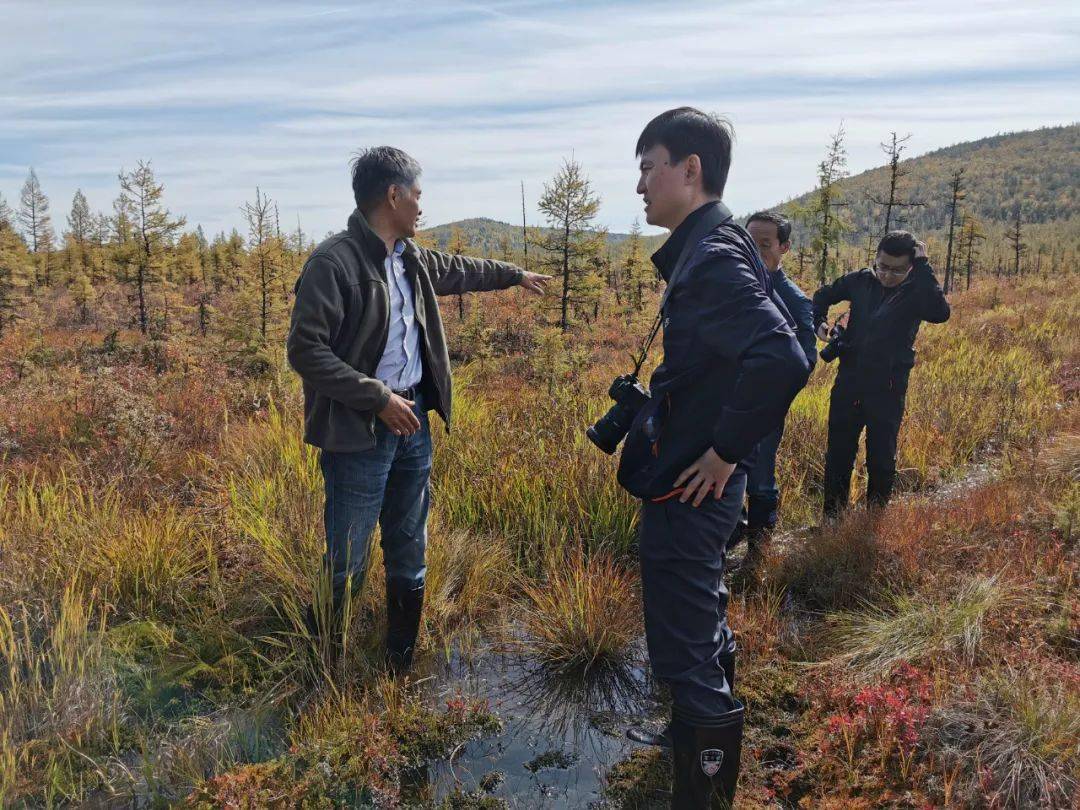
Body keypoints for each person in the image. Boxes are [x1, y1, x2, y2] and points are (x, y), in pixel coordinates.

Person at [286, 146, 549, 672]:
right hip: (359, 433)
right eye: (418, 195)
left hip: (414, 426)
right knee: (347, 560)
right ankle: (325, 667)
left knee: (409, 546)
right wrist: (378, 398)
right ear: (393, 194)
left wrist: (514, 274)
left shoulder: (411, 258)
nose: (422, 207)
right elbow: (305, 351)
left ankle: (400, 661)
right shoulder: (333, 263)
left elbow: (462, 270)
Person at [616, 108, 810, 808]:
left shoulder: (715, 256)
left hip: (692, 490)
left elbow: (782, 357)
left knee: (684, 648)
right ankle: (696, 745)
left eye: (648, 167)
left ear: (689, 170)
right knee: (703, 621)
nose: (639, 185)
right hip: (693, 482)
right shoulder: (714, 245)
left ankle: (703, 790)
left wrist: (726, 452)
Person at [813, 230, 950, 519]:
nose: (887, 275)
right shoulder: (860, 280)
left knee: (881, 459)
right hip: (849, 382)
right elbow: (822, 295)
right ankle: (832, 521)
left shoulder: (917, 291)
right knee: (838, 454)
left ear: (911, 266)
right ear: (875, 259)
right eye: (882, 266)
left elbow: (940, 312)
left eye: (897, 269)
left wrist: (924, 267)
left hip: (888, 388)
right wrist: (819, 324)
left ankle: (873, 522)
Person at [726, 211, 817, 579]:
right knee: (728, 471)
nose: (756, 250)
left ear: (784, 247)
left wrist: (765, 398)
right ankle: (730, 536)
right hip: (727, 402)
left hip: (764, 410)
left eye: (765, 244)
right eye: (750, 242)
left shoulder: (795, 301)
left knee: (760, 475)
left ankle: (758, 555)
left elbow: (804, 362)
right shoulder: (736, 283)